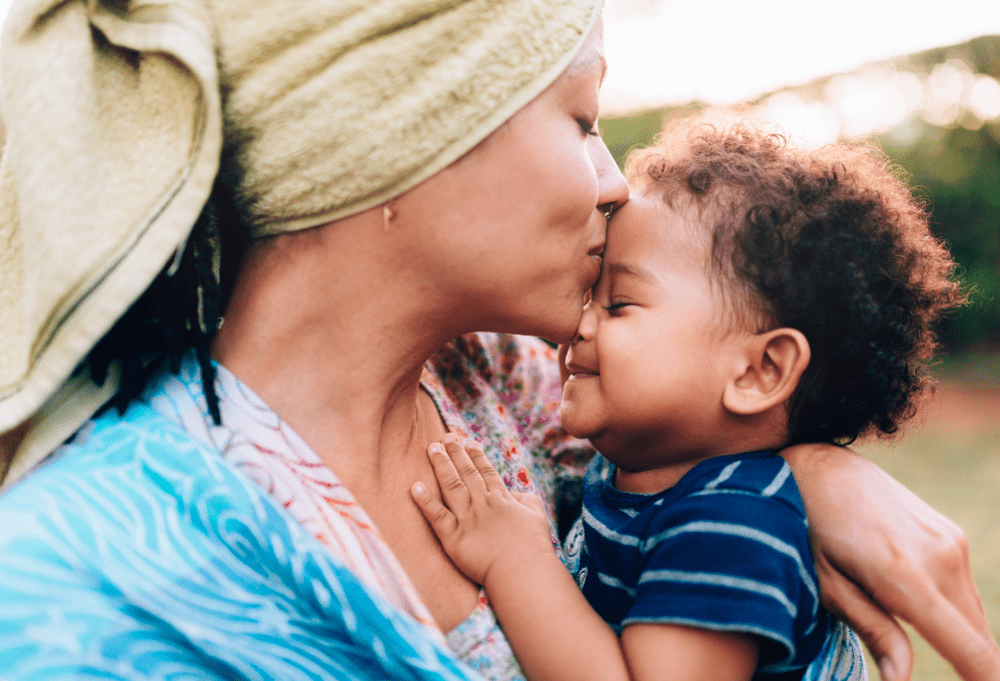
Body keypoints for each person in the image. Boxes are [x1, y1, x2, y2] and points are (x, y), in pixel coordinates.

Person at [0, 0, 995, 679]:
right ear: (404, 131)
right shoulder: (80, 585)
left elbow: (699, 437)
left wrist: (811, 472)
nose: (613, 182)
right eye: (580, 118)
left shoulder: (503, 384)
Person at [409, 116, 968, 681]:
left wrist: (517, 561)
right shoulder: (634, 474)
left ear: (759, 370)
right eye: (589, 297)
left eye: (620, 303)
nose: (577, 326)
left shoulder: (731, 523)